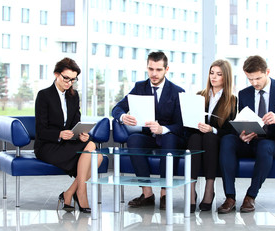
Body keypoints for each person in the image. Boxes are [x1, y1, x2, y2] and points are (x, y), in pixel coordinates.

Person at [217, 55, 275, 214]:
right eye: (250, 79)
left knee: (264, 146)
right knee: (227, 140)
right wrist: (242, 133)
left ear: (267, 72)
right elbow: (243, 117)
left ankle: (250, 196)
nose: (254, 83)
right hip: (251, 139)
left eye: (258, 78)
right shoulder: (244, 94)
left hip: (273, 142)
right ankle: (230, 197)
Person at [112, 51, 185, 210]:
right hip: (149, 137)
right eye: (151, 69)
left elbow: (181, 125)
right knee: (133, 140)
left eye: (158, 70)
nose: (154, 73)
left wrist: (163, 129)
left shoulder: (177, 91)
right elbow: (117, 108)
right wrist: (123, 117)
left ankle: (165, 193)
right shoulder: (140, 87)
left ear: (167, 69)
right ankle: (147, 194)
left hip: (170, 137)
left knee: (169, 138)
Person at [34, 57, 103, 213]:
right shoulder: (44, 95)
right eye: (66, 78)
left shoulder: (73, 96)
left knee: (95, 152)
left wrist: (81, 135)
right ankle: (81, 193)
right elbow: (41, 129)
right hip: (48, 145)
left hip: (67, 143)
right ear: (56, 74)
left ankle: (70, 193)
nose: (69, 83)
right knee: (93, 152)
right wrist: (59, 134)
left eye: (73, 80)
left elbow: (75, 123)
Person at [187, 60, 237, 213]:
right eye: (212, 73)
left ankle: (209, 189)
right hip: (197, 137)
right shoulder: (199, 96)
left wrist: (212, 129)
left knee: (210, 137)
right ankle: (191, 189)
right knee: (195, 138)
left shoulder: (232, 101)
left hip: (216, 140)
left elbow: (231, 130)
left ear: (226, 77)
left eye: (219, 74)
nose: (213, 77)